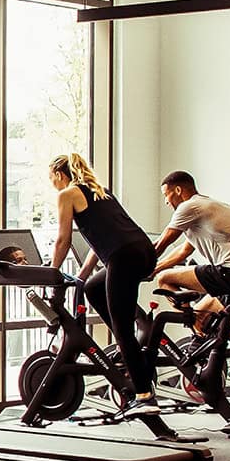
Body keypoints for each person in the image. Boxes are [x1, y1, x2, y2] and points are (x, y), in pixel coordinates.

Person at [47, 152, 159, 417]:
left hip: (123, 258)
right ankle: (132, 348)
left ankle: (144, 395)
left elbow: (63, 240)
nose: (52, 185)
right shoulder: (99, 190)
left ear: (60, 176)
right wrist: (83, 273)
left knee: (122, 330)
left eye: (51, 179)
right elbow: (101, 239)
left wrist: (51, 273)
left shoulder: (67, 194)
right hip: (143, 252)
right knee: (93, 288)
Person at [151, 171, 230, 327]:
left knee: (164, 279)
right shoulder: (208, 206)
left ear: (178, 190)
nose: (166, 202)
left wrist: (135, 271)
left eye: (166, 195)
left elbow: (161, 244)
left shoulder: (188, 207)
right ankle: (210, 344)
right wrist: (153, 269)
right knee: (200, 319)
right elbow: (184, 251)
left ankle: (186, 321)